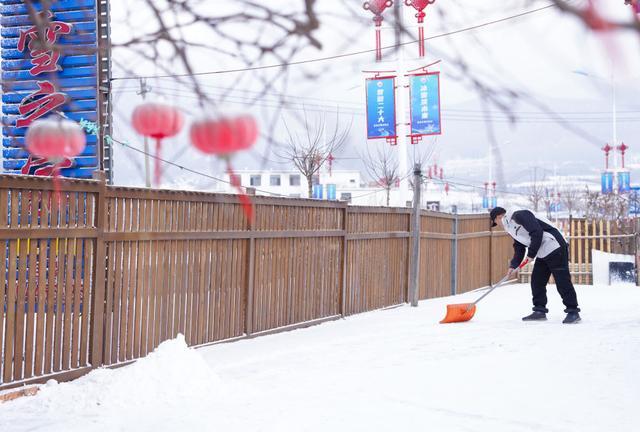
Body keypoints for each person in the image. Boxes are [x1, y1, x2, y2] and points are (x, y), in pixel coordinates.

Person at [490, 207, 581, 324]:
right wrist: (513, 265)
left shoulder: (518, 215)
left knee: (562, 280)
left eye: (496, 222)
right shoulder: (510, 228)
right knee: (537, 281)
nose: (498, 225)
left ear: (498, 217)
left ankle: (573, 311)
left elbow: (536, 231)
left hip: (555, 245)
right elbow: (519, 247)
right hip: (542, 250)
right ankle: (539, 310)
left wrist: (531, 254)